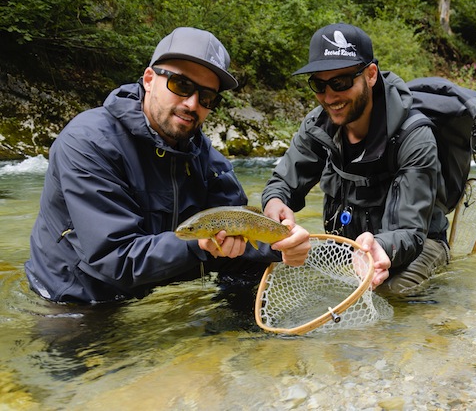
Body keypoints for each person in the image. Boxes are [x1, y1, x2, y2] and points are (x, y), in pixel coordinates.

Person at [25, 27, 310, 304]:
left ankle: (235, 346)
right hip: (78, 294)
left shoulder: (204, 155)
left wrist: (285, 246)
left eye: (207, 97)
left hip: (149, 282)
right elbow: (115, 258)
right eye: (181, 85)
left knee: (251, 269)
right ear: (149, 79)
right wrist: (199, 246)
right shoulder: (89, 143)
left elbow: (240, 226)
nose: (192, 103)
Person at [262, 23, 450, 294]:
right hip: (349, 246)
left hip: (417, 242)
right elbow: (282, 184)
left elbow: (410, 231)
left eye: (340, 82)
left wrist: (381, 247)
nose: (329, 96)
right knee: (273, 269)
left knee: (389, 290)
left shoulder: (415, 136)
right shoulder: (317, 126)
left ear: (370, 75)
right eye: (318, 84)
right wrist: (277, 208)